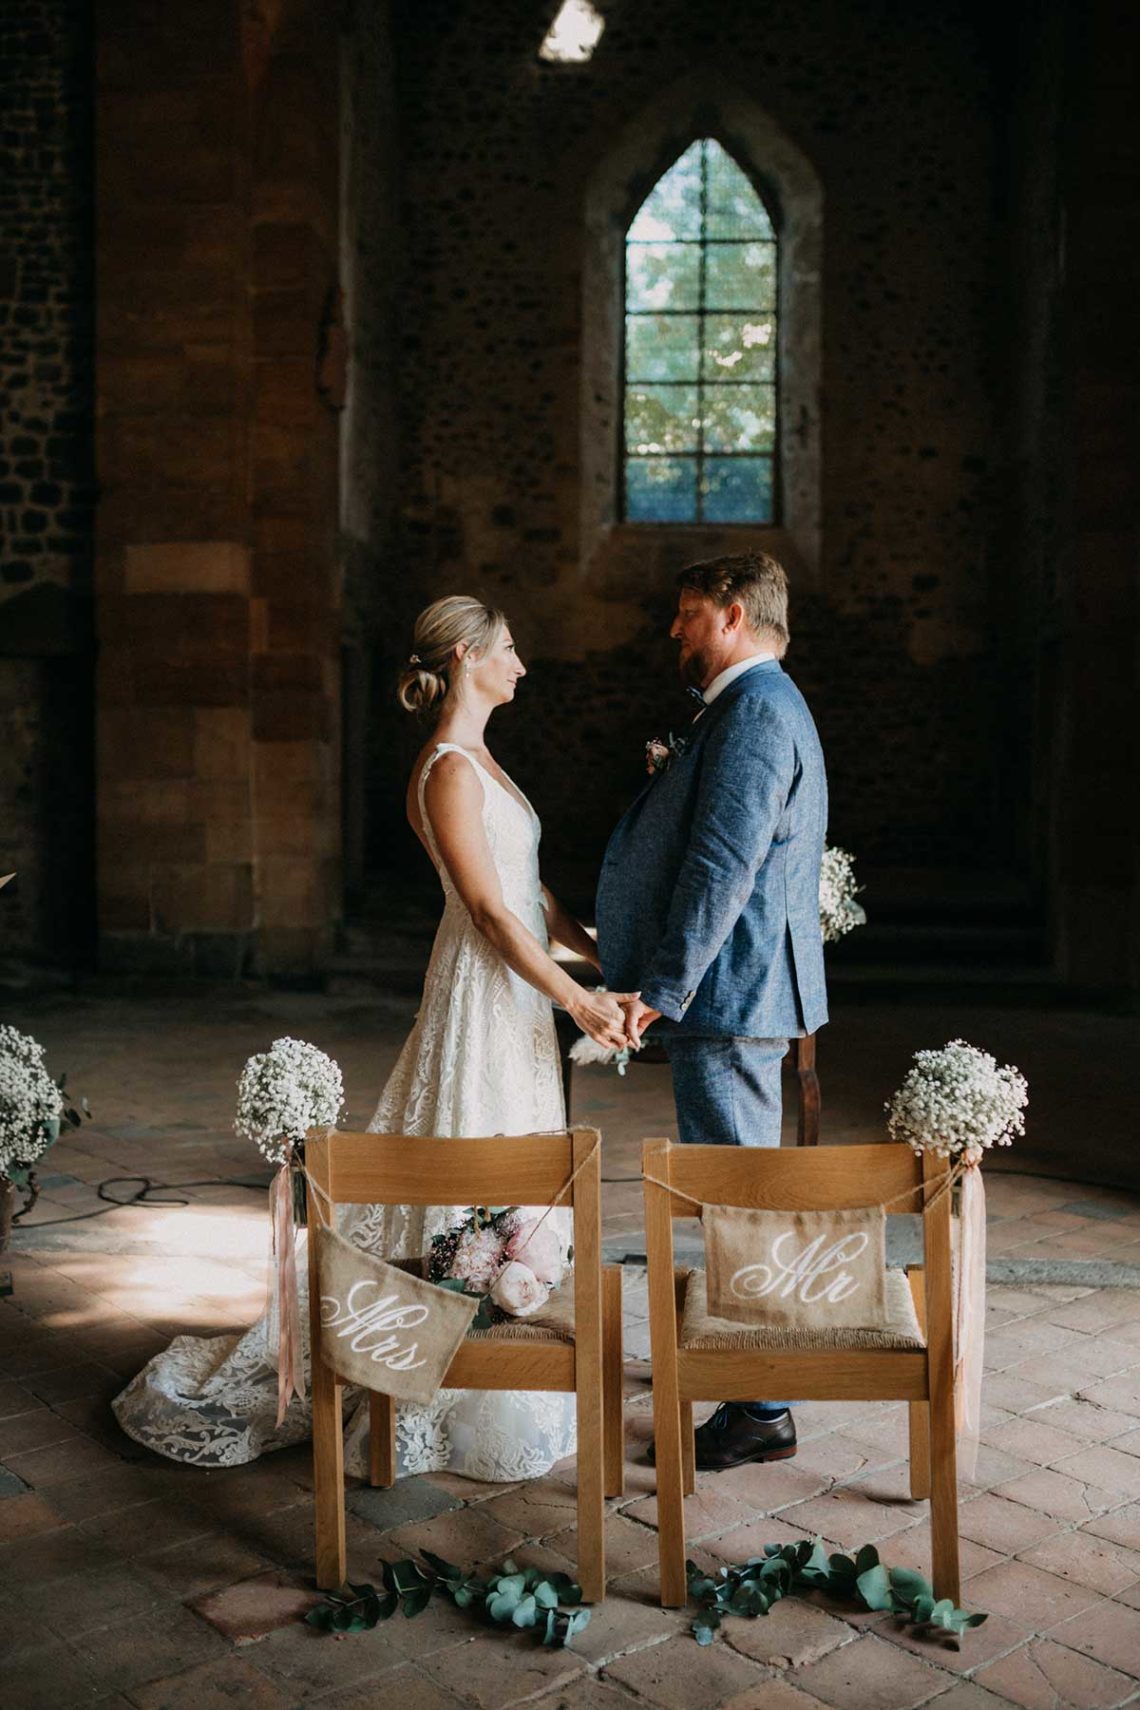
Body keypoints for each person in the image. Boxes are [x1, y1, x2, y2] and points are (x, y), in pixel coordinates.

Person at [114, 595, 633, 1481]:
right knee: (469, 1158)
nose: (522, 664)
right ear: (468, 654)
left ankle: (494, 1360)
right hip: (481, 998)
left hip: (518, 1000)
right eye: (509, 648)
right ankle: (429, 1376)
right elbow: (485, 913)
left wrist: (599, 958)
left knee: (515, 1170)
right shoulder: (446, 770)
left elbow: (532, 899)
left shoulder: (484, 763)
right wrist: (580, 1004)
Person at [596, 551, 828, 1472]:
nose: (675, 629)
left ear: (732, 614)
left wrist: (662, 989)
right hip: (735, 993)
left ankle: (762, 1406)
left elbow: (722, 866)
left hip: (730, 994)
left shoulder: (759, 711)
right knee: (739, 1195)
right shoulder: (749, 706)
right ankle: (753, 1382)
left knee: (738, 1204)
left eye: (687, 612)